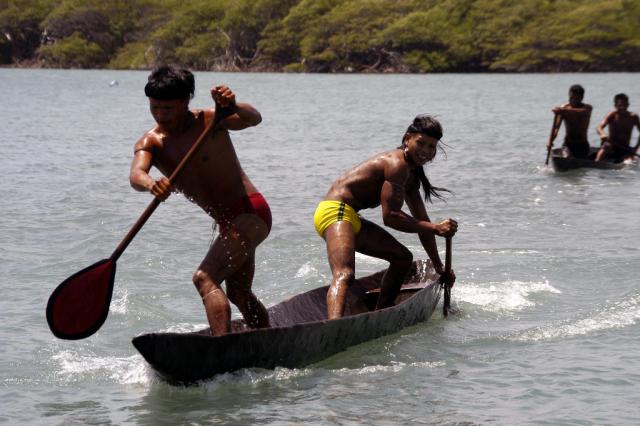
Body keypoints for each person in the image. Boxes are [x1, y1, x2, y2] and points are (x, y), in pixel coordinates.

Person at [129, 65, 271, 336]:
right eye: (154, 108)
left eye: (167, 109)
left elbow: (254, 118)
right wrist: (151, 184)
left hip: (251, 211)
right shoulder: (152, 142)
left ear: (185, 102)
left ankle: (222, 351)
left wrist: (232, 104)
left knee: (205, 278)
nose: (160, 116)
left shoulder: (211, 119)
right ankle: (269, 338)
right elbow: (136, 174)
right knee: (239, 293)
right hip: (227, 222)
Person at [313, 115, 458, 319]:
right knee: (345, 274)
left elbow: (423, 223)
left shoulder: (411, 176)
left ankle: (380, 315)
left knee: (402, 258)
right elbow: (391, 217)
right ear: (407, 139)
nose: (426, 151)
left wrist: (439, 266)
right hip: (333, 211)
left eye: (431, 147)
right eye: (421, 143)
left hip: (351, 217)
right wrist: (435, 227)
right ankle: (332, 328)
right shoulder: (396, 164)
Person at [547, 84, 593, 159]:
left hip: (582, 144)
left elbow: (579, 112)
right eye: (571, 98)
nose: (573, 100)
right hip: (568, 144)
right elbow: (556, 128)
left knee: (581, 161)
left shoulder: (587, 108)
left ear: (581, 98)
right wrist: (550, 141)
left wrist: (562, 110)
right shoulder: (564, 108)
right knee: (567, 157)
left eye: (576, 98)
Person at [595, 93, 640, 162]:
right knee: (606, 146)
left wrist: (636, 148)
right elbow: (599, 127)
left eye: (625, 105)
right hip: (611, 146)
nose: (623, 107)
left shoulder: (633, 117)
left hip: (625, 147)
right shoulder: (612, 115)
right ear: (615, 105)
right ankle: (597, 162)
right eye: (620, 105)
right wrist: (602, 134)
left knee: (630, 162)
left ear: (628, 104)